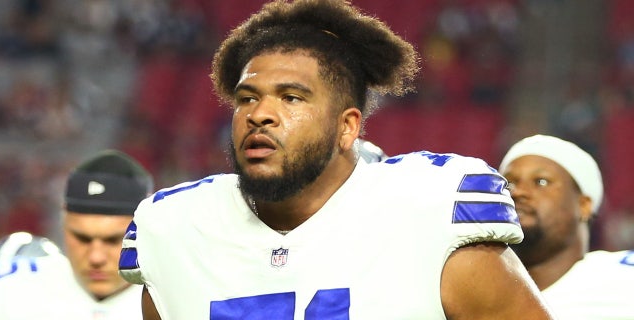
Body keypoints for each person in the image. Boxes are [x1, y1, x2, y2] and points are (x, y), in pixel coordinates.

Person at [119, 0, 554, 319]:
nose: (259, 114)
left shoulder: (430, 210)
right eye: (247, 98)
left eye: (291, 97)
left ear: (347, 127)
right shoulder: (173, 228)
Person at [0, 150, 153, 319]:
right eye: (82, 238)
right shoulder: (8, 288)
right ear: (63, 224)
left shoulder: (171, 300)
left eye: (113, 240)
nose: (96, 258)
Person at [499, 134, 634, 319]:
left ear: (584, 205)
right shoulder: (468, 291)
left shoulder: (624, 278)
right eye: (509, 183)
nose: (518, 192)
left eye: (541, 181)